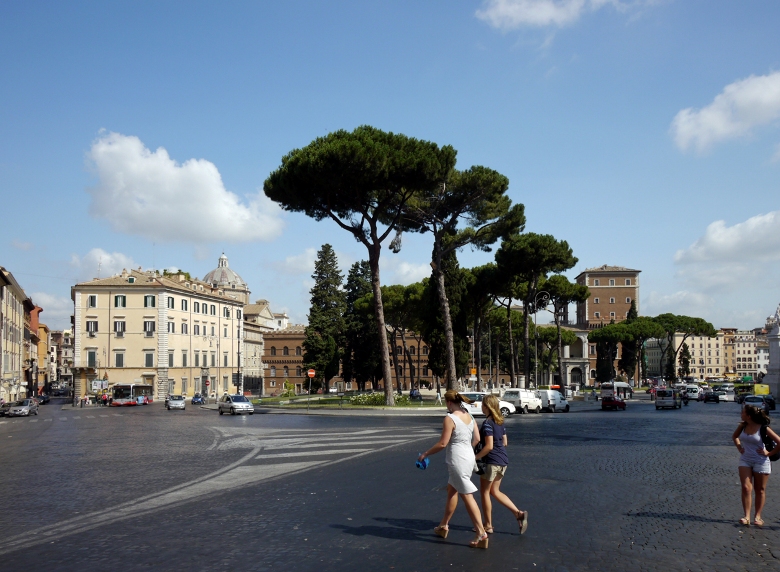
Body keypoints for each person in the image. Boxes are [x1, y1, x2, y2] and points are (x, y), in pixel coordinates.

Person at [418, 390, 489, 549]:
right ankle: (443, 525)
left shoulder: (450, 418)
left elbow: (443, 443)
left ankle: (481, 533)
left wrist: (425, 454)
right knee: (452, 491)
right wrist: (467, 449)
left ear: (449, 402)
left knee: (467, 495)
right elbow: (477, 439)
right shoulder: (469, 416)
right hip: (469, 458)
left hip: (458, 459)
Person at [474, 394, 528, 535]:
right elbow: (505, 442)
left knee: (485, 492)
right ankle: (518, 513)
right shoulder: (500, 422)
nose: (481, 407)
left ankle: (488, 525)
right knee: (495, 491)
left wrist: (475, 457)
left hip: (491, 461)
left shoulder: (487, 424)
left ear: (487, 406)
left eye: (483, 404)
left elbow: (489, 446)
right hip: (503, 460)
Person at [732, 404, 780, 526]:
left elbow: (779, 441)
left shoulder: (763, 428)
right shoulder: (742, 426)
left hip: (761, 461)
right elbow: (735, 436)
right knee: (746, 487)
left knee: (760, 490)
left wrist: (769, 453)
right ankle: (746, 516)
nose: (741, 414)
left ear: (749, 416)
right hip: (745, 459)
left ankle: (758, 517)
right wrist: (739, 447)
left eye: (743, 412)